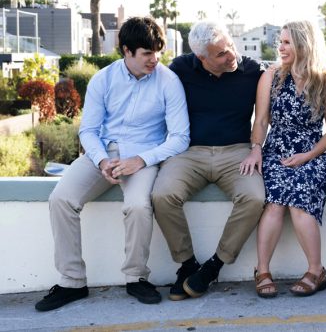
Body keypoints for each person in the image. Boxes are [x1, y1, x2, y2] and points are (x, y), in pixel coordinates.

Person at [35, 17, 190, 311]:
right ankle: (72, 283)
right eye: (146, 53)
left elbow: (180, 137)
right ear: (126, 51)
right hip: (102, 155)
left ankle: (135, 278)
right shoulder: (103, 79)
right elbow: (88, 131)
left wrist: (140, 160)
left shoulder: (169, 81)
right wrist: (102, 160)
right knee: (61, 199)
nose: (154, 60)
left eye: (157, 52)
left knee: (138, 207)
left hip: (144, 158)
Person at [151, 21, 265, 301]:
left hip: (237, 151)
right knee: (162, 195)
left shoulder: (252, 70)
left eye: (231, 47)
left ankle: (213, 266)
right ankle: (188, 265)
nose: (232, 56)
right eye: (221, 54)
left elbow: (278, 110)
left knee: (254, 198)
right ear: (202, 58)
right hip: (190, 152)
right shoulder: (180, 69)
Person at [241, 20, 326, 298]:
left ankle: (316, 270)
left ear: (303, 44)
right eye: (280, 42)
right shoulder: (271, 75)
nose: (281, 47)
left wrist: (308, 156)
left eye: (287, 42)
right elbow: (260, 120)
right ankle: (262, 270)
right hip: (276, 150)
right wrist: (256, 148)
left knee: (298, 205)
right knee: (274, 205)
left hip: (312, 152)